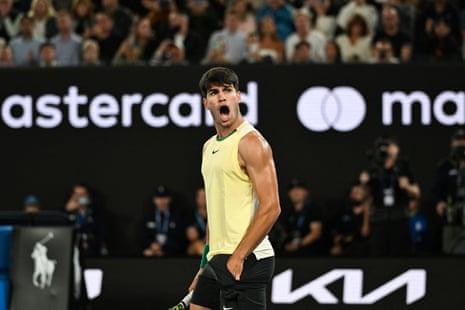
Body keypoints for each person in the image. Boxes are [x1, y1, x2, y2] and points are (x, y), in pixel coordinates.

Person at [187, 67, 281, 310]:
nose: (221, 97)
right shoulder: (208, 148)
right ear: (206, 103)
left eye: (227, 91)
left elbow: (271, 208)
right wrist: (204, 266)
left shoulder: (251, 142)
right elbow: (214, 214)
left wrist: (239, 256)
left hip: (249, 258)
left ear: (238, 96)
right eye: (214, 92)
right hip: (218, 261)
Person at [360, 135, 421, 256]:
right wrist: (364, 184)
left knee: (402, 255)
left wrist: (407, 187)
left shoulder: (402, 167)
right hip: (379, 219)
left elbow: (417, 193)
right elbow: (366, 198)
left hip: (400, 218)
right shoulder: (374, 169)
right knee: (379, 255)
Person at [432, 129, 465, 254]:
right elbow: (436, 189)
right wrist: (439, 202)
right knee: (451, 250)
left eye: (463, 141)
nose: (461, 145)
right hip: (451, 216)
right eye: (458, 141)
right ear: (452, 144)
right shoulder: (445, 166)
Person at [279, 178, 325, 256]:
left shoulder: (314, 209)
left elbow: (316, 233)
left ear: (306, 192)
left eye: (299, 189)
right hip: (288, 250)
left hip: (310, 251)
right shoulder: (287, 211)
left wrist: (299, 244)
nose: (295, 192)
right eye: (292, 189)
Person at [141, 185, 187, 257]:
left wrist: (163, 249)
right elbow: (142, 236)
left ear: (169, 199)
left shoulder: (176, 217)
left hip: (171, 254)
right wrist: (151, 245)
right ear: (154, 200)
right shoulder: (147, 217)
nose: (161, 201)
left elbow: (180, 238)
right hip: (151, 252)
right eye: (159, 198)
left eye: (164, 198)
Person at [65, 183, 108, 257]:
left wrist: (88, 243)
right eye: (76, 194)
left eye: (83, 194)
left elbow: (102, 235)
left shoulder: (97, 213)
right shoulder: (67, 213)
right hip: (70, 251)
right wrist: (66, 211)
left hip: (92, 253)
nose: (79, 197)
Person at [329, 182, 370, 256]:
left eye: (357, 192)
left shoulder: (369, 213)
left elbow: (365, 233)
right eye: (352, 192)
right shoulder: (343, 211)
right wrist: (337, 243)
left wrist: (367, 213)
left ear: (364, 195)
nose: (354, 195)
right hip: (344, 247)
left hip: (363, 249)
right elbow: (335, 230)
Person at [186, 187, 208, 256]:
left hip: (212, 245)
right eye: (200, 197)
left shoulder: (215, 216)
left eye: (205, 196)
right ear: (196, 198)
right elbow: (191, 236)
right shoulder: (190, 216)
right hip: (195, 246)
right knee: (197, 244)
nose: (202, 199)